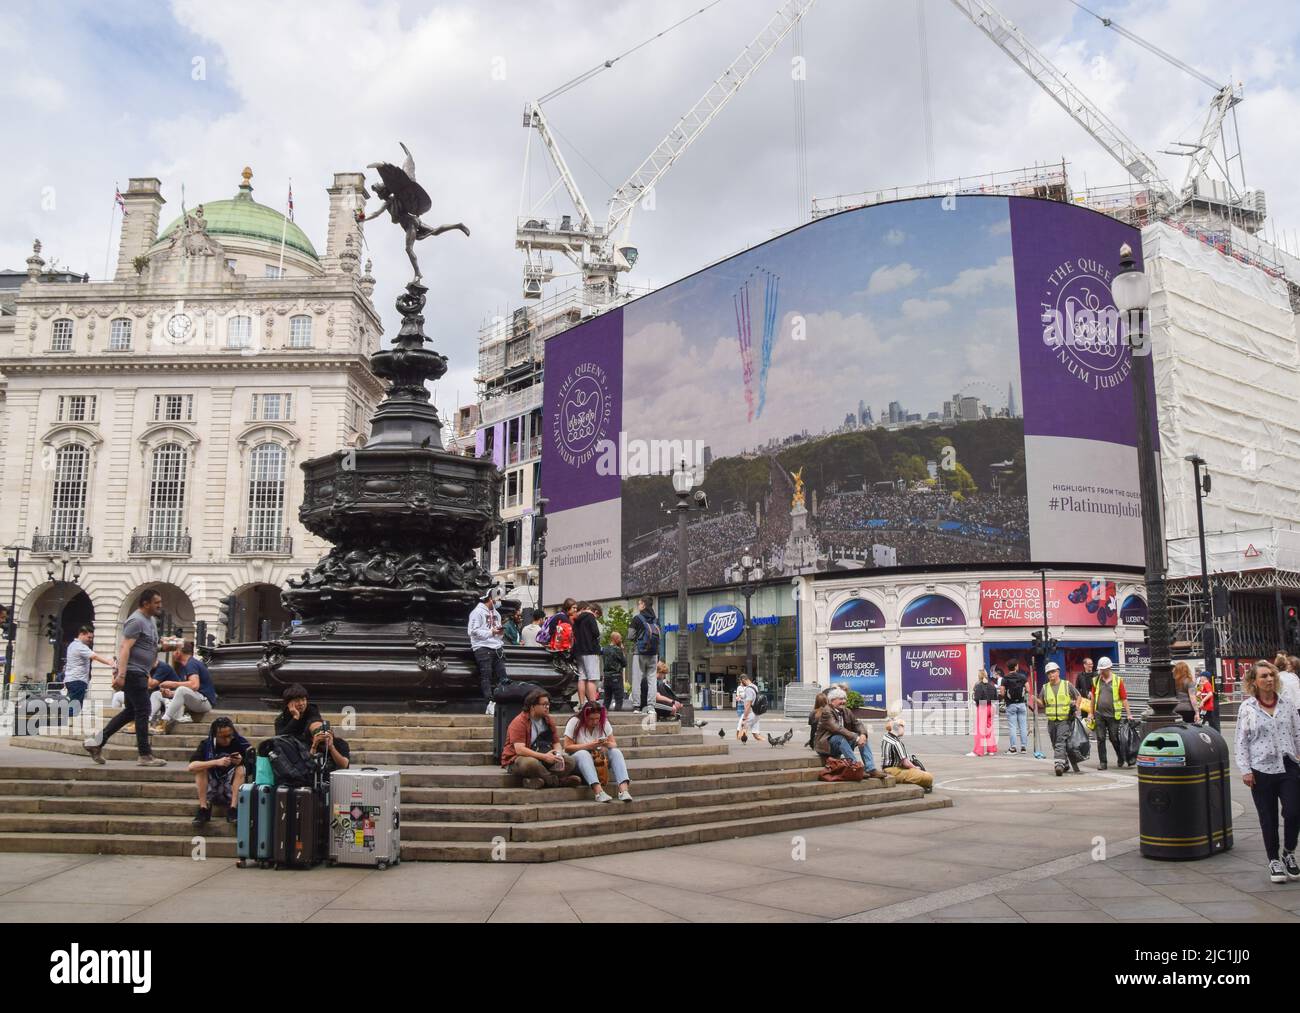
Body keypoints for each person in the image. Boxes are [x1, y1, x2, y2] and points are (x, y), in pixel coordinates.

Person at [83, 588, 167, 766]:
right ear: (146, 603)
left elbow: (148, 646)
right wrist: (121, 675)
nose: (160, 606)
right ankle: (145, 755)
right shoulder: (136, 620)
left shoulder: (150, 620)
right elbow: (125, 648)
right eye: (156, 603)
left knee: (131, 711)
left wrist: (162, 648)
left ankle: (97, 743)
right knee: (144, 710)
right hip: (132, 672)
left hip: (140, 672)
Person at [1234, 660, 1300, 884]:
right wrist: (1245, 770)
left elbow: (1297, 733)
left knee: (1293, 812)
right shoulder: (1247, 708)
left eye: (1272, 675)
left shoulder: (1287, 704)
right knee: (1268, 818)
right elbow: (1241, 741)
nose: (1270, 679)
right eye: (1264, 676)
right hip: (1260, 769)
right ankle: (1274, 860)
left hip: (1288, 765)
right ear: (1254, 682)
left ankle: (1289, 852)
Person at [500, 688, 580, 789]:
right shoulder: (519, 722)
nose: (547, 707)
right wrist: (544, 757)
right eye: (544, 704)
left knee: (570, 761)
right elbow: (520, 750)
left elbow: (556, 743)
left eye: (548, 704)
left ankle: (537, 781)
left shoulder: (547, 720)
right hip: (516, 759)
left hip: (543, 755)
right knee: (531, 763)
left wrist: (558, 755)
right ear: (533, 706)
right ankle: (558, 782)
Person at [563, 701, 633, 802]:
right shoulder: (574, 722)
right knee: (583, 753)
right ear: (585, 716)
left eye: (597, 718)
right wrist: (589, 746)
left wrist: (604, 743)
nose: (595, 722)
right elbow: (567, 747)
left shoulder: (603, 722)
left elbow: (614, 744)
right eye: (591, 719)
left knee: (615, 752)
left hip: (599, 760)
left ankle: (624, 790)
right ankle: (598, 792)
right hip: (579, 761)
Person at [188, 717, 252, 827]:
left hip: (231, 787)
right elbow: (191, 767)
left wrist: (242, 761)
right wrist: (216, 762)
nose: (227, 739)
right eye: (223, 737)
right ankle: (203, 808)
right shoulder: (206, 745)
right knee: (200, 769)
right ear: (214, 736)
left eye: (229, 735)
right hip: (212, 787)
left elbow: (252, 769)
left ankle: (233, 809)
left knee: (241, 769)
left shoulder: (240, 743)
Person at [814, 688, 885, 779]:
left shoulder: (846, 711)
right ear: (832, 701)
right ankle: (856, 767)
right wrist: (856, 738)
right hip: (826, 745)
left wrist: (863, 735)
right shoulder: (827, 711)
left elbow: (857, 723)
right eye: (840, 699)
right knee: (839, 737)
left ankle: (870, 769)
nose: (843, 701)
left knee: (863, 739)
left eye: (844, 699)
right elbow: (837, 728)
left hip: (841, 743)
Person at [151, 640, 216, 734]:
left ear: (178, 651)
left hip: (205, 702)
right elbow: (187, 692)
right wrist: (171, 693)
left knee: (181, 689)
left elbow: (194, 685)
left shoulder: (191, 664)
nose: (173, 654)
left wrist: (173, 684)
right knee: (156, 694)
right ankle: (147, 720)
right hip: (195, 698)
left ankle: (164, 723)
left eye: (174, 651)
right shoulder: (183, 666)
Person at [1039, 661, 1082, 776]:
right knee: (1055, 743)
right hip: (1051, 721)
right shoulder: (1045, 688)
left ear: (1058, 672)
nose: (1051, 675)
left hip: (1064, 720)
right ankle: (1065, 763)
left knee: (1060, 742)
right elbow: (1042, 703)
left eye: (1053, 672)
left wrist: (1076, 706)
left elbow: (1078, 696)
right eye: (1048, 673)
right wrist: (1033, 699)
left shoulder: (1066, 685)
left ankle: (1058, 764)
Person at [62, 625, 116, 717]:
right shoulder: (80, 647)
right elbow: (94, 656)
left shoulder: (72, 645)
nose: (90, 640)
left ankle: (68, 722)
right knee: (75, 705)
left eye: (91, 638)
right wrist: (109, 662)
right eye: (89, 637)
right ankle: (69, 723)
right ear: (82, 634)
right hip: (77, 680)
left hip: (71, 679)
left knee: (73, 703)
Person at [468, 589, 507, 715]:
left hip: (497, 647)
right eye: (498, 599)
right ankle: (490, 703)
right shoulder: (477, 612)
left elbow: (499, 634)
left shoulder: (497, 614)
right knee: (487, 675)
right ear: (490, 598)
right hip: (482, 647)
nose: (499, 601)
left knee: (503, 677)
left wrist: (499, 633)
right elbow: (472, 631)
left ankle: (502, 702)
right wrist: (492, 632)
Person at [1089, 656, 1132, 769]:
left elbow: (1124, 699)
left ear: (1109, 668)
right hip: (1099, 715)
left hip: (1113, 715)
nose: (1102, 672)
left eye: (1104, 670)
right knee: (1100, 738)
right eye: (1101, 670)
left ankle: (1120, 756)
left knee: (1114, 738)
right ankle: (1103, 762)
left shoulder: (1118, 681)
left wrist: (1129, 714)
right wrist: (1091, 713)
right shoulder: (1096, 680)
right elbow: (1093, 698)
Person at [880, 718, 934, 792]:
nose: (903, 729)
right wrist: (915, 768)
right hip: (894, 771)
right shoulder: (896, 742)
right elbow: (906, 762)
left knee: (916, 772)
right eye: (903, 727)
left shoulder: (886, 737)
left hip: (886, 769)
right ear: (898, 728)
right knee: (928, 777)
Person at [628, 597, 660, 713]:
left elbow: (630, 636)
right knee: (652, 680)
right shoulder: (656, 620)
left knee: (637, 679)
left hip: (639, 653)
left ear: (644, 605)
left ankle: (637, 706)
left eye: (640, 603)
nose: (638, 605)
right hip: (653, 653)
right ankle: (651, 706)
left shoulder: (637, 618)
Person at [572, 601, 603, 706]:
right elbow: (596, 633)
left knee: (582, 677)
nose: (596, 618)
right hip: (590, 651)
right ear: (595, 611)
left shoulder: (577, 619)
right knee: (592, 678)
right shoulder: (590, 617)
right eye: (597, 616)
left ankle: (582, 703)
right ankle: (593, 703)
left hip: (579, 651)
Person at [970, 669, 999, 757]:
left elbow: (977, 698)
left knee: (980, 730)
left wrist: (978, 703)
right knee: (989, 729)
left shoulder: (979, 686)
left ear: (979, 676)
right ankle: (991, 750)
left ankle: (978, 751)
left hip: (982, 707)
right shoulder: (992, 685)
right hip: (991, 707)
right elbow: (995, 697)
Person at [1002, 662, 1029, 753]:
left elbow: (1002, 692)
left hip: (1011, 705)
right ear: (1016, 667)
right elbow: (1028, 689)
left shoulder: (1005, 678)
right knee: (1023, 726)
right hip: (1021, 704)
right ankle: (1023, 747)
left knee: (1012, 727)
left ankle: (1013, 748)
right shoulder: (1022, 677)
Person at [601, 631, 628, 711]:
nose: (621, 640)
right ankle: (617, 713)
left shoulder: (605, 649)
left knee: (607, 698)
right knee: (619, 697)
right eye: (620, 639)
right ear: (616, 639)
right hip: (616, 676)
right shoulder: (617, 650)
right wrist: (622, 650)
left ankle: (604, 713)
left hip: (606, 676)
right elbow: (624, 663)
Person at [734, 672, 762, 743]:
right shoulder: (754, 686)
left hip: (751, 712)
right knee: (756, 735)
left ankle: (737, 747)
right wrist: (741, 697)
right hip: (756, 712)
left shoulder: (748, 689)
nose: (741, 683)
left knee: (742, 727)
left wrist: (744, 717)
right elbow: (752, 697)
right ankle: (766, 742)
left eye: (741, 681)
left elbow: (748, 704)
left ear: (743, 679)